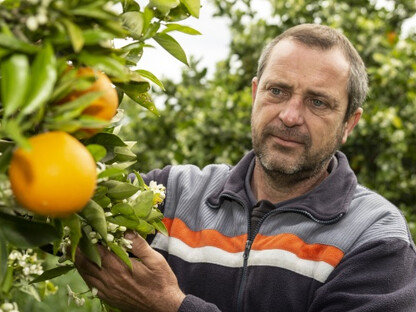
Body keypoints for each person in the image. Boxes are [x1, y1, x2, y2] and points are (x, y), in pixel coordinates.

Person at [75, 24, 416, 312]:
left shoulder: (373, 236)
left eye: (318, 102)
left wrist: (172, 305)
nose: (290, 116)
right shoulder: (173, 193)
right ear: (255, 95)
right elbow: (54, 208)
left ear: (348, 124)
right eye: (277, 91)